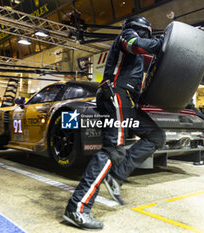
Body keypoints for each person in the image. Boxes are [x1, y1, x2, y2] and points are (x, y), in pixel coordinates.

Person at [63, 16, 165, 230]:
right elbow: (135, 45)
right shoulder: (126, 36)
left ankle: (116, 177)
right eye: (148, 34)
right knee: (112, 150)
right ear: (142, 30)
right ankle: (77, 208)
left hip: (125, 99)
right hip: (116, 94)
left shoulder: (136, 54)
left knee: (155, 136)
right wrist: (163, 42)